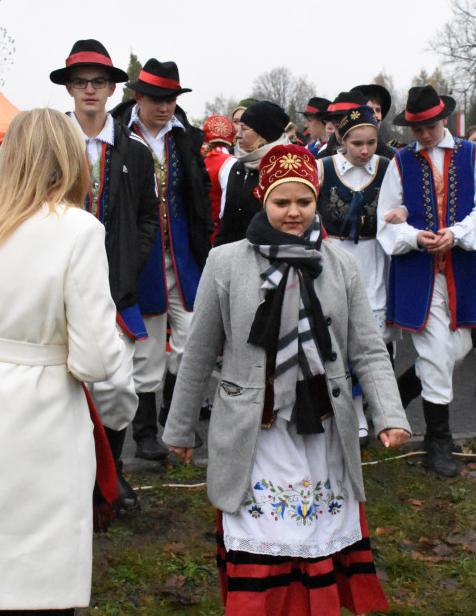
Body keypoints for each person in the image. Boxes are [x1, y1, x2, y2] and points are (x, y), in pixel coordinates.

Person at [163, 144, 410, 615]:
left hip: (323, 431)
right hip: (256, 434)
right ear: (262, 198)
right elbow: (197, 353)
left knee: (316, 541)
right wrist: (179, 429)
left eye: (304, 201)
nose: (294, 212)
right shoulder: (227, 262)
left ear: (317, 199)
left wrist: (388, 414)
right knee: (264, 547)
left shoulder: (341, 265)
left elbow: (368, 350)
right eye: (282, 202)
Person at [0, 108, 134, 612]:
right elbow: (96, 358)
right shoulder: (76, 229)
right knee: (34, 564)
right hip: (37, 409)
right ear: (70, 159)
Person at [51, 40, 160, 507]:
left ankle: (109, 478)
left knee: (115, 386)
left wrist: (127, 263)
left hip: (116, 290)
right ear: (70, 89)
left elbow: (147, 217)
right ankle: (64, 483)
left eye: (98, 82)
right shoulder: (52, 147)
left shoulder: (133, 150)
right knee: (60, 387)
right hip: (55, 286)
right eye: (81, 82)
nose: (90, 90)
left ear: (114, 88)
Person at [377, 85, 476, 477]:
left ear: (442, 119)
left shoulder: (470, 154)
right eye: (417, 128)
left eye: (429, 126)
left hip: (460, 270)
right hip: (418, 272)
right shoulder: (400, 161)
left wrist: (458, 234)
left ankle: (405, 388)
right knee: (433, 351)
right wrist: (414, 236)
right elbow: (385, 218)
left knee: (460, 345)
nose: (424, 135)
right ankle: (438, 441)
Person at [110, 58, 212, 455]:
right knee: (148, 346)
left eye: (171, 98)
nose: (165, 106)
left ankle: (176, 420)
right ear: (139, 97)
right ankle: (146, 434)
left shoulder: (185, 137)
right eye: (156, 98)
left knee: (191, 341)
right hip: (143, 257)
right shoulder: (119, 135)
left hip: (184, 254)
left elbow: (198, 193)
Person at [316, 105, 395, 445]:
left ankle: (363, 411)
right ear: (342, 140)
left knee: (367, 342)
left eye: (372, 143)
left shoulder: (388, 169)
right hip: (333, 259)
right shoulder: (323, 168)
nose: (365, 151)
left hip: (372, 260)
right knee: (334, 341)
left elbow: (399, 205)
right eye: (357, 143)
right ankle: (337, 409)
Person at [214, 100, 291, 247]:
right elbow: (228, 220)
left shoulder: (284, 169)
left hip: (266, 257)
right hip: (233, 255)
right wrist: (216, 254)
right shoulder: (238, 166)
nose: (237, 134)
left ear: (263, 133)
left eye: (244, 129)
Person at [202, 115, 237, 244]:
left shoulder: (202, 160)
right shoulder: (230, 162)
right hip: (219, 235)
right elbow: (227, 206)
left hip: (202, 232)